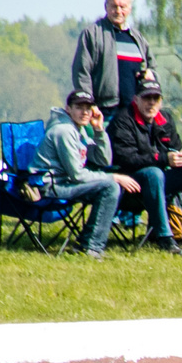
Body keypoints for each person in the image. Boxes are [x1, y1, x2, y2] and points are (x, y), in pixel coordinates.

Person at [108, 68, 182, 254]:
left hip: (158, 182)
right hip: (130, 183)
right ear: (136, 99)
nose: (151, 103)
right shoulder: (123, 121)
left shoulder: (165, 119)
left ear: (160, 102)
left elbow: (177, 147)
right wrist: (163, 158)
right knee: (154, 172)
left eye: (155, 99)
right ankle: (164, 236)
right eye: (146, 98)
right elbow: (126, 159)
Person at [34, 89, 141, 260]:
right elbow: (77, 174)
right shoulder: (64, 131)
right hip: (50, 186)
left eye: (88, 108)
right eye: (79, 107)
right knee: (110, 186)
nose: (85, 112)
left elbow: (104, 161)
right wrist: (113, 177)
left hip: (66, 183)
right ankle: (91, 247)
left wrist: (99, 130)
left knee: (111, 186)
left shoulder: (79, 129)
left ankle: (87, 243)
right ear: (68, 109)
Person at [71, 0, 153, 121]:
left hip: (134, 112)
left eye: (123, 7)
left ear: (130, 9)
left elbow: (152, 68)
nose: (118, 11)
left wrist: (150, 74)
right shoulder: (92, 34)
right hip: (105, 111)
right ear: (106, 7)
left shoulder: (138, 39)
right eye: (114, 6)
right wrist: (88, 104)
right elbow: (81, 72)